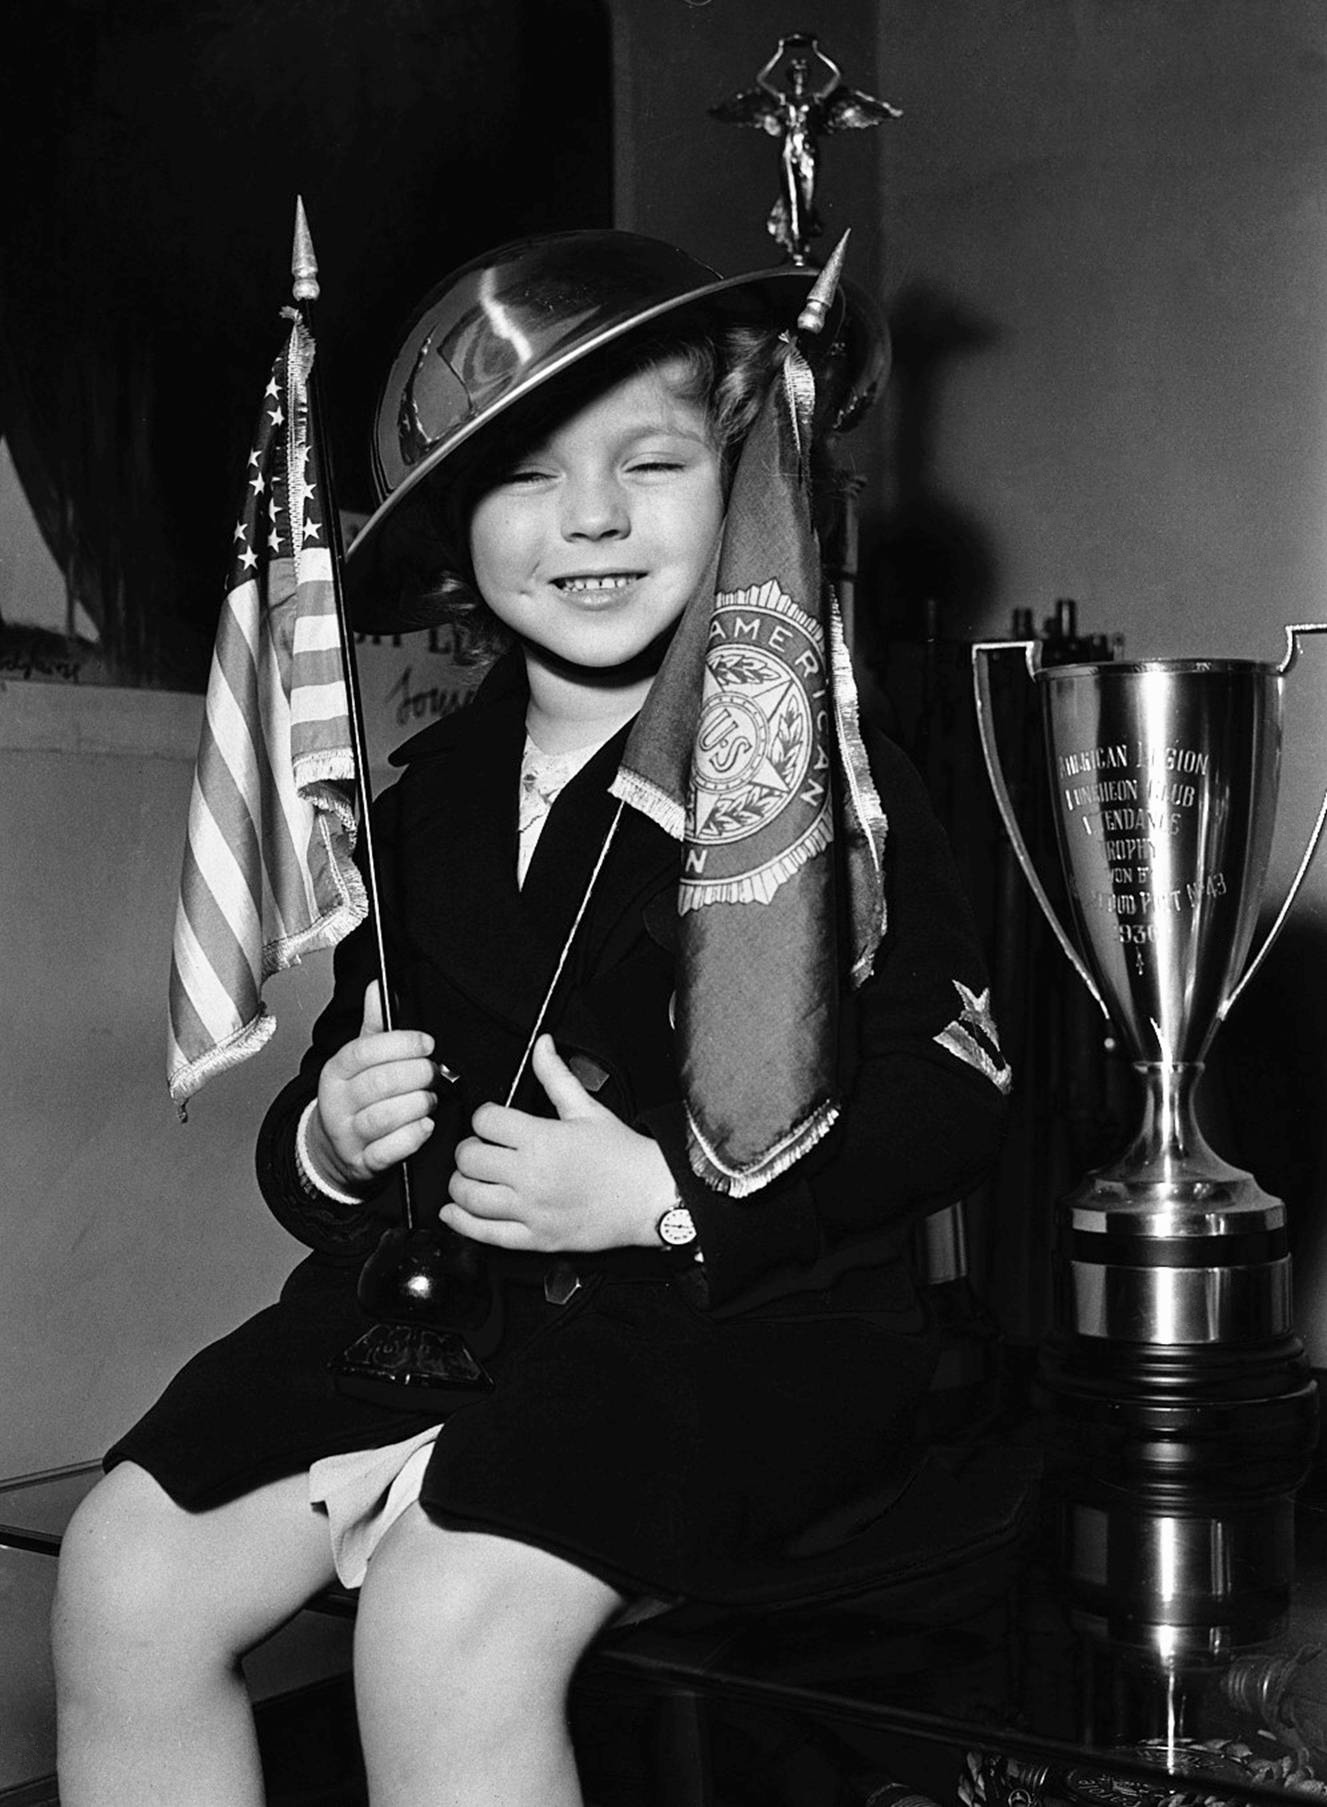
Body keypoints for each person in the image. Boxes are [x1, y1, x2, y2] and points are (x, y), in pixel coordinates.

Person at [51, 230, 1010, 1807]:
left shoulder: (820, 770)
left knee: (444, 1622)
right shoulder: (420, 800)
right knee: (124, 1570)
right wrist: (331, 1141)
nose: (592, 518)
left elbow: (951, 1094)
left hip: (729, 1335)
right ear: (452, 526)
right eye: (526, 476)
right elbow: (334, 1095)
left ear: (743, 482)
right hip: (441, 1316)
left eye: (653, 462)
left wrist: (671, 1199)